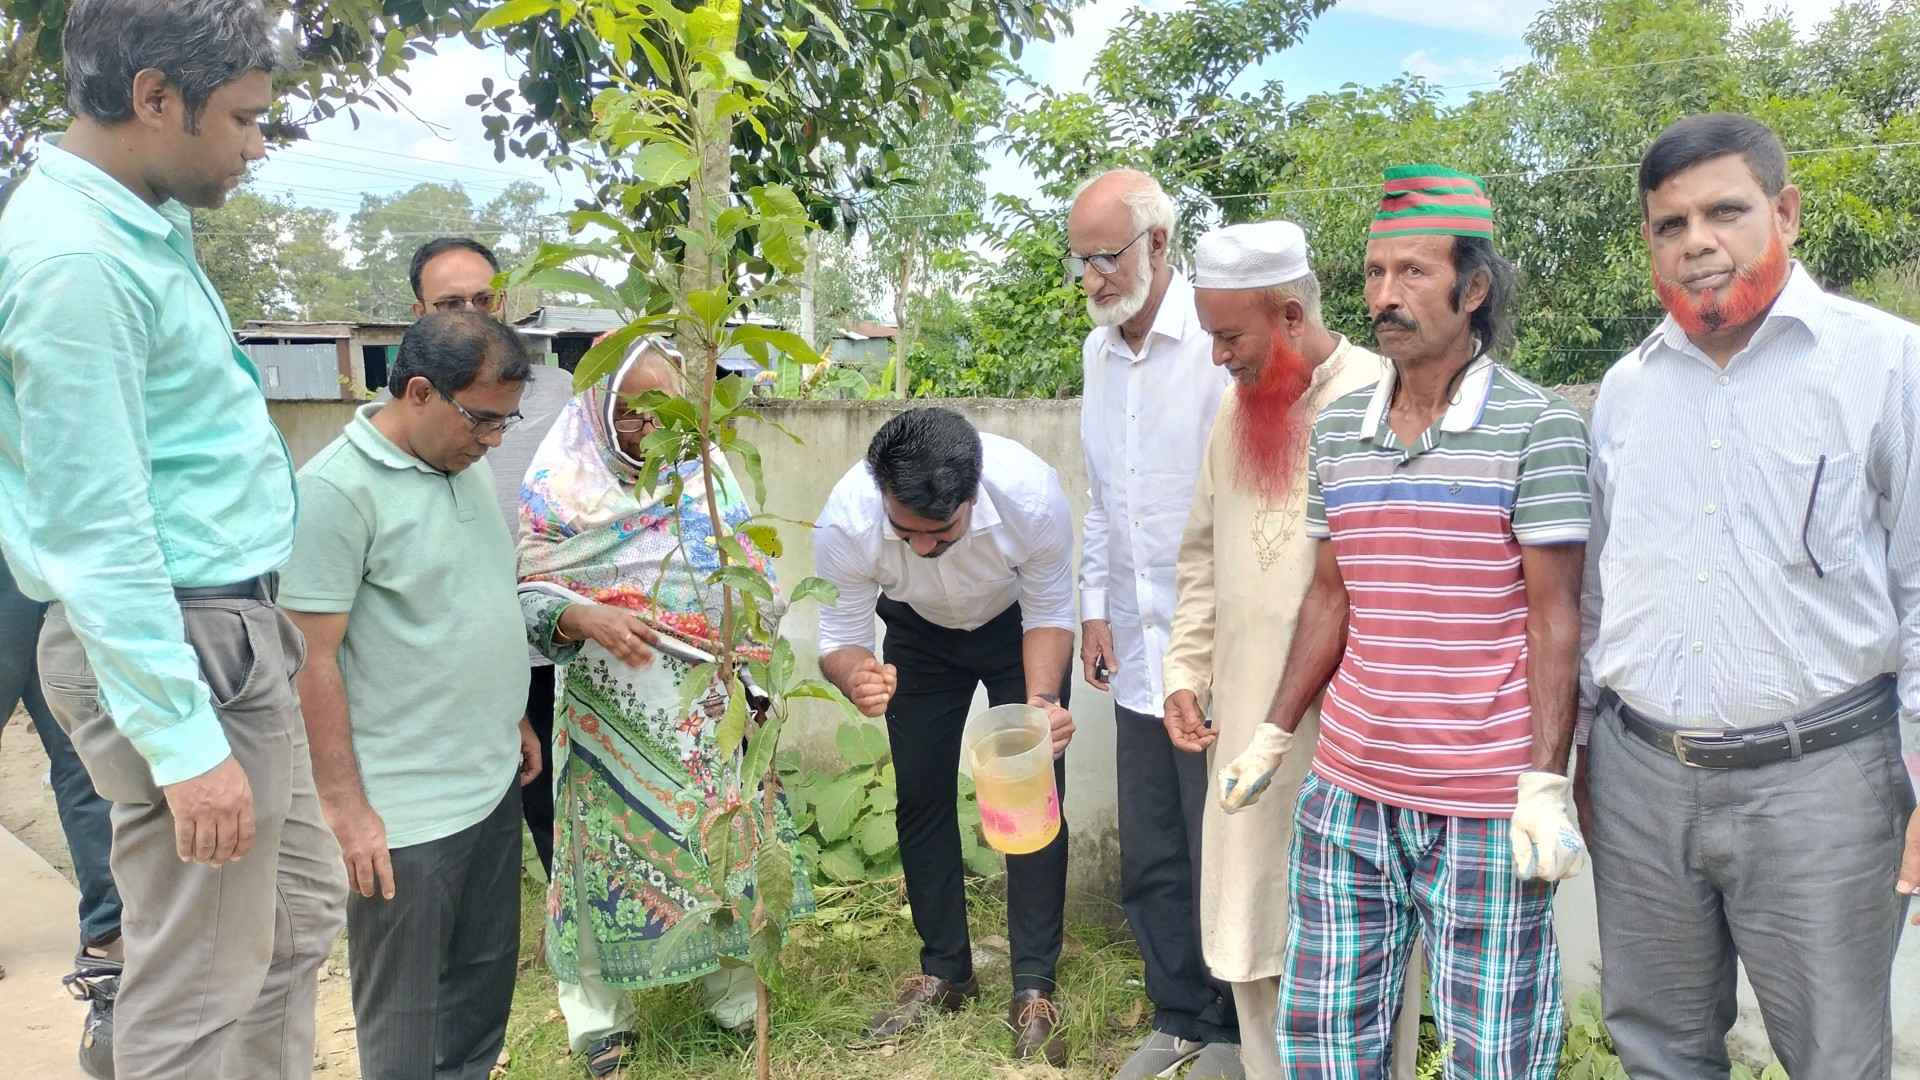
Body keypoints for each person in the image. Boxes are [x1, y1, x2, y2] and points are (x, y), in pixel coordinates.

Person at [0, 2, 349, 1076]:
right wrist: (186, 748)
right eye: (244, 121)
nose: (254, 148)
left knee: (291, 921)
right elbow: (95, 528)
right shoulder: (79, 266)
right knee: (196, 988)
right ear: (156, 98)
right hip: (184, 647)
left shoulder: (140, 222)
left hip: (231, 630)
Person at [1215, 165, 1592, 1078]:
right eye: (1376, 273)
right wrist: (1273, 731)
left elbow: (1555, 622)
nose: (1386, 296)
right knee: (1326, 1038)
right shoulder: (1339, 430)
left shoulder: (1539, 428)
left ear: (1474, 289)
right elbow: (1329, 597)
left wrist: (1546, 782)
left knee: (1495, 1050)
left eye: (1414, 273)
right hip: (1348, 791)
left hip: (1481, 801)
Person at [1576, 113, 1920, 1080]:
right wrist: (1578, 751)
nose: (1697, 243)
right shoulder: (1627, 390)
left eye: (1725, 211)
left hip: (1824, 785)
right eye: (1668, 224)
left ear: (1786, 211)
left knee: (1835, 1056)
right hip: (1641, 779)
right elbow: (1603, 593)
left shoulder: (1887, 366)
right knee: (1658, 1049)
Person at [1162, 220, 1424, 1080]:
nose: (1216, 358)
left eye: (1229, 336)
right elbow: (1200, 556)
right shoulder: (1235, 418)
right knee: (1252, 933)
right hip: (1244, 727)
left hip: (1355, 740)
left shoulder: (1387, 398)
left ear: (1288, 314)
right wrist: (1183, 673)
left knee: (1361, 946)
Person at [514, 339, 814, 1077]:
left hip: (702, 706)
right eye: (634, 410)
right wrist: (587, 618)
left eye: (666, 411)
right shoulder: (558, 482)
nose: (652, 429)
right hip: (602, 711)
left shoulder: (703, 474)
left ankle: (735, 996)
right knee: (595, 858)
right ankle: (598, 1022)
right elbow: (525, 595)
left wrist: (753, 668)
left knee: (715, 841)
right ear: (599, 406)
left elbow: (751, 574)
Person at [280, 313, 542, 1080]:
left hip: (489, 780)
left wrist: (513, 713)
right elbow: (310, 660)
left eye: (506, 420)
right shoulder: (334, 491)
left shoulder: (463, 465)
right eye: (483, 418)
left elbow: (472, 602)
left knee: (481, 989)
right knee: (405, 1019)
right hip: (407, 810)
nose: (495, 439)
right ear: (420, 391)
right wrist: (346, 808)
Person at [813, 407, 1079, 1064]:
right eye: (908, 535)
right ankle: (946, 973)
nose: (926, 548)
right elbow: (839, 638)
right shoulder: (846, 519)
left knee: (1031, 801)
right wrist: (857, 678)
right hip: (916, 636)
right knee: (923, 795)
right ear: (882, 496)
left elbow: (1050, 608)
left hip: (1014, 626)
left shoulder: (1031, 494)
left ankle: (1033, 988)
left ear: (972, 493)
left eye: (943, 534)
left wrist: (1043, 702)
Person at [1065, 168, 1239, 1079]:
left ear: (1160, 244)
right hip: (1136, 646)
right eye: (1080, 261)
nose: (1092, 278)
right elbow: (1105, 499)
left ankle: (1237, 1028)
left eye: (1106, 256)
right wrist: (1095, 609)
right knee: (1154, 846)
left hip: (1213, 648)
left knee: (1226, 841)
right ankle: (1178, 1013)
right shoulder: (1098, 355)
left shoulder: (1218, 339)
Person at [408, 235, 574, 877]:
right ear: (419, 314)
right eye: (452, 302)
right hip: (464, 640)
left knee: (568, 797)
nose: (473, 313)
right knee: (493, 805)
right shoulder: (413, 408)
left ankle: (580, 935)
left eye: (485, 298)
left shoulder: (563, 394)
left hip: (560, 631)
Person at [1, 558, 124, 1075]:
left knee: (89, 759)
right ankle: (110, 952)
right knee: (87, 764)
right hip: (44, 549)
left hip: (57, 557)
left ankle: (111, 954)